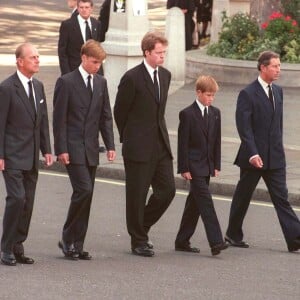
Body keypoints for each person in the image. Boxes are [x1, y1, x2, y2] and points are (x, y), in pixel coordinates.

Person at [225, 51, 300, 252]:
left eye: (279, 66)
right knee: (243, 197)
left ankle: (295, 239)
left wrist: (280, 150)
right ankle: (232, 234)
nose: (278, 70)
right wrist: (252, 153)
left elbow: (278, 126)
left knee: (281, 198)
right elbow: (244, 127)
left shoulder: (278, 91)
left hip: (275, 157)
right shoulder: (247, 93)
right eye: (275, 66)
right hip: (253, 158)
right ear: (263, 67)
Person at [114, 31, 176, 257]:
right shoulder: (132, 78)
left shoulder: (166, 76)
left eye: (164, 53)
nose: (162, 57)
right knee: (136, 195)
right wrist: (129, 137)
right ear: (147, 52)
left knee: (167, 190)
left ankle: (142, 226)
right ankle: (138, 240)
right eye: (158, 53)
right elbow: (120, 111)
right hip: (138, 146)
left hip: (160, 144)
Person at [53, 40, 116, 260]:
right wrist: (60, 148)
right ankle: (67, 238)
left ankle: (77, 245)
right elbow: (58, 120)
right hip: (72, 147)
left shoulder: (101, 83)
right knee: (84, 190)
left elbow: (105, 116)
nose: (97, 66)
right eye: (94, 61)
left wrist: (110, 145)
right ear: (83, 58)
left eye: (100, 62)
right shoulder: (66, 82)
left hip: (90, 148)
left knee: (87, 197)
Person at [0, 43, 53, 266]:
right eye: (33, 57)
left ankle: (18, 244)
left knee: (28, 202)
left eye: (38, 57)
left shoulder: (39, 87)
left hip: (31, 156)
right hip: (11, 155)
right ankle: (6, 248)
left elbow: (42, 122)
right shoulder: (6, 88)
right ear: (20, 61)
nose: (37, 60)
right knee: (17, 198)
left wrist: (47, 149)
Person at [175, 75, 228, 256]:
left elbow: (216, 141)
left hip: (207, 166)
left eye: (213, 96)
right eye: (208, 95)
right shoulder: (187, 114)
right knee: (206, 202)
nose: (210, 99)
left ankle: (182, 240)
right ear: (198, 93)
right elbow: (183, 143)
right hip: (193, 166)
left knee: (194, 205)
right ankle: (216, 242)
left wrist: (216, 164)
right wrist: (184, 168)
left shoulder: (215, 113)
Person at [58, 0, 102, 76]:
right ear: (77, 8)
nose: (84, 10)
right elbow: (62, 52)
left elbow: (97, 48)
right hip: (74, 70)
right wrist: (67, 74)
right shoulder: (68, 25)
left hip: (93, 72)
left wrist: (100, 72)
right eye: (81, 7)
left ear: (91, 8)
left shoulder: (96, 24)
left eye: (87, 7)